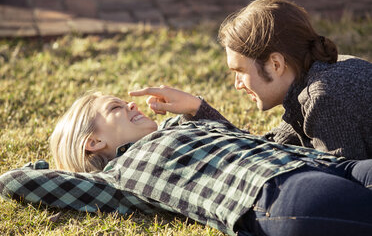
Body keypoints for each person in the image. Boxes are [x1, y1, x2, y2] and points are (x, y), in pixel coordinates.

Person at [1, 89, 372, 236]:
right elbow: (15, 181)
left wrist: (196, 106)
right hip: (280, 193)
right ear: (94, 142)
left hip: (326, 164)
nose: (131, 104)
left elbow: (242, 137)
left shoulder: (177, 126)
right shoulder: (119, 178)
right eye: (116, 108)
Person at [216, 0, 371, 159]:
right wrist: (197, 109)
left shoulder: (323, 97)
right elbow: (269, 146)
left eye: (240, 71)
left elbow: (342, 177)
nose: (237, 84)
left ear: (276, 64)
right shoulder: (312, 82)